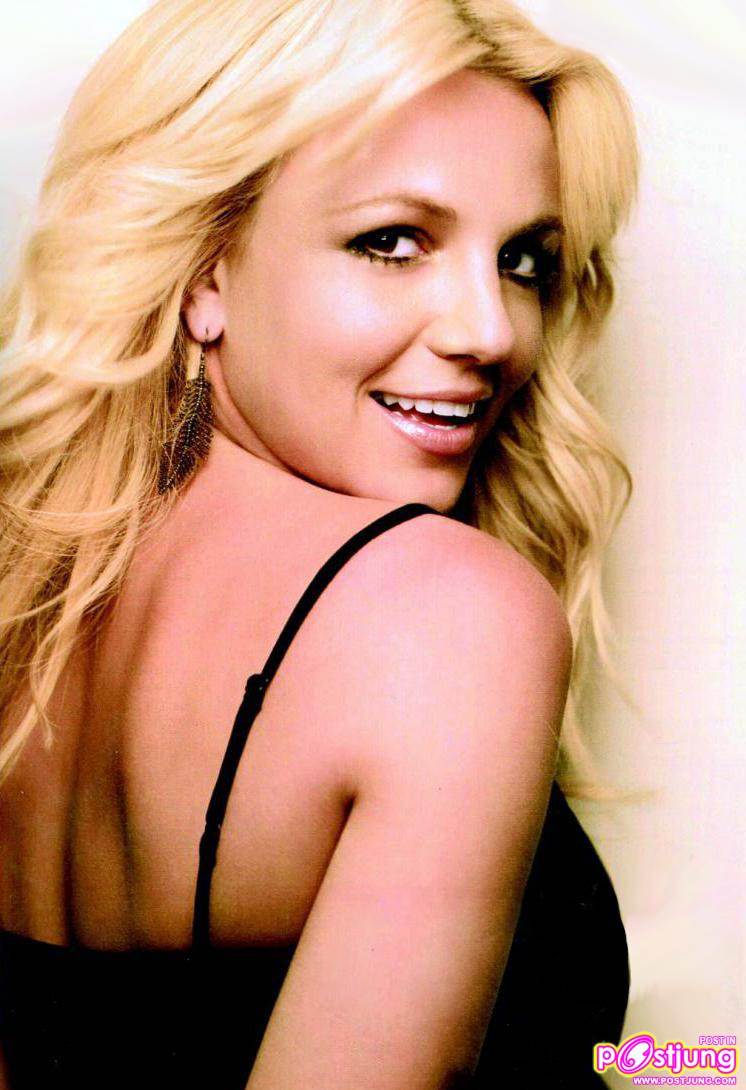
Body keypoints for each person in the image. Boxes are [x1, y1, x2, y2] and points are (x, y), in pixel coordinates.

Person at [0, 0, 638, 1086]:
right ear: (205, 271)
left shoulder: (29, 593)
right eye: (391, 243)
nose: (488, 332)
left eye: (521, 262)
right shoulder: (442, 614)